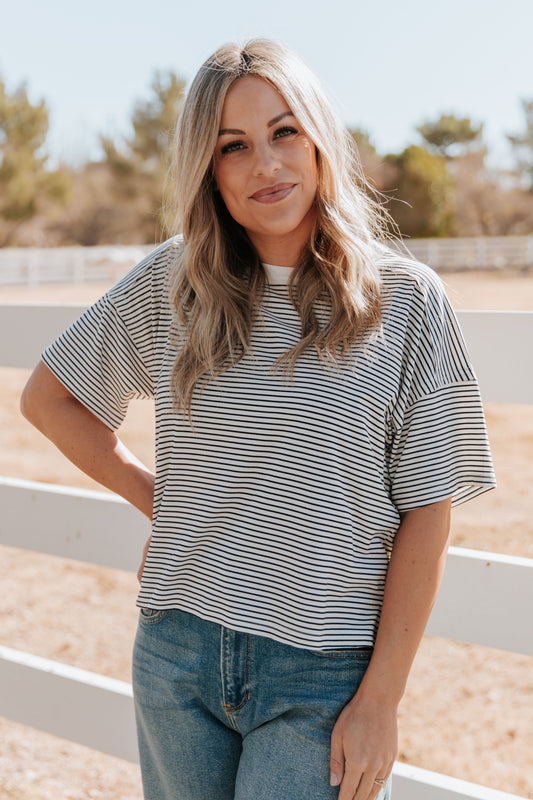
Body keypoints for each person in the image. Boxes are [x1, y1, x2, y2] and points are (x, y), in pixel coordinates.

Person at [20, 39, 496, 800]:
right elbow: (51, 399)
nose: (266, 165)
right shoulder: (176, 282)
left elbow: (428, 512)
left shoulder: (405, 301)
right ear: (206, 169)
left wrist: (379, 699)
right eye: (232, 146)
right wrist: (161, 502)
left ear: (317, 139)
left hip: (321, 673)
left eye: (283, 132)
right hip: (177, 651)